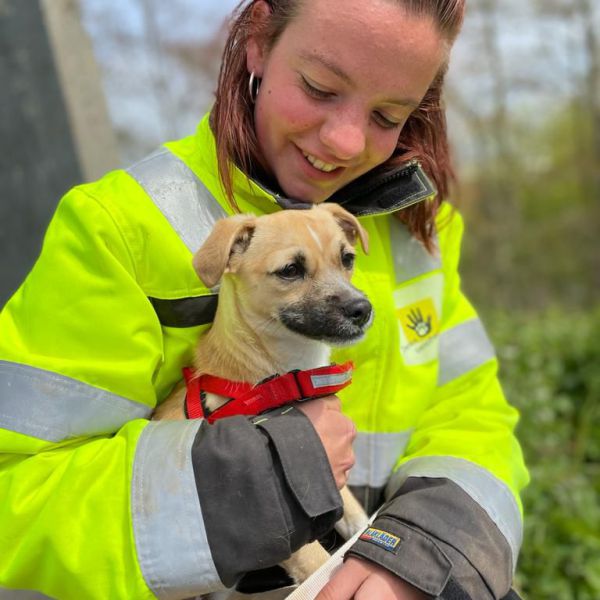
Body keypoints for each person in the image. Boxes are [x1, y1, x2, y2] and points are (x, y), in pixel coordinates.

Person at [0, 0, 529, 598]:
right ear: (257, 40)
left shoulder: (418, 233)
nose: (347, 140)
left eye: (388, 115)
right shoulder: (121, 228)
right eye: (320, 87)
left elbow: (472, 417)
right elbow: (15, 498)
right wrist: (257, 484)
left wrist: (425, 550)